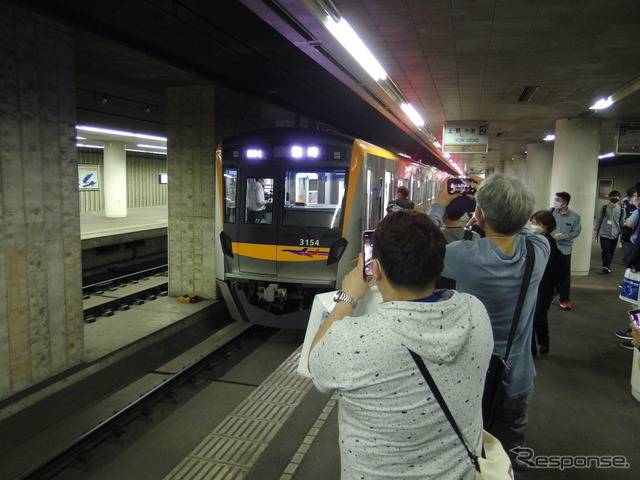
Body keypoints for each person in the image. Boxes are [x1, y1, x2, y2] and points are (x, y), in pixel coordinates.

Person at [309, 210, 494, 480]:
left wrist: (348, 296)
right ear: (439, 264)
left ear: (377, 269)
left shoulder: (353, 340)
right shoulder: (475, 312)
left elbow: (317, 361)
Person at [428, 173, 550, 471]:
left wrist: (438, 206)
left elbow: (418, 247)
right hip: (516, 375)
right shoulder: (539, 251)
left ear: (478, 215)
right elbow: (521, 226)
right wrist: (497, 199)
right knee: (507, 454)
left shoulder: (463, 255)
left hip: (468, 373)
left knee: (461, 453)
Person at [530, 210, 566, 356]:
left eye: (537, 224)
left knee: (539, 315)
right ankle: (531, 348)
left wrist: (558, 290)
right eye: (532, 223)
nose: (533, 226)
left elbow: (558, 272)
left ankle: (544, 342)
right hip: (531, 285)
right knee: (529, 317)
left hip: (545, 287)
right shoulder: (531, 240)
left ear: (547, 226)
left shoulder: (551, 245)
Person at [550, 192, 582, 310]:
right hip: (550, 247)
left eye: (557, 200)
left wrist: (562, 236)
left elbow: (576, 232)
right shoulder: (551, 212)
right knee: (549, 274)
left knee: (564, 276)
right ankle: (550, 294)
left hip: (564, 249)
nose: (555, 202)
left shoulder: (574, 217)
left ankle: (564, 300)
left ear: (565, 203)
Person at [593, 190, 624, 274]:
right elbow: (598, 220)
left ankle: (608, 265)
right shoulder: (604, 208)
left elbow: (621, 223)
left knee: (611, 251)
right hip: (604, 233)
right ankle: (605, 266)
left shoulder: (621, 210)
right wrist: (596, 232)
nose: (614, 198)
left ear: (619, 198)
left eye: (616, 197)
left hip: (615, 234)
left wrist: (622, 234)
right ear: (609, 198)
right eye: (613, 197)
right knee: (605, 249)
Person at [620, 188, 637, 264]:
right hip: (626, 226)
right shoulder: (624, 202)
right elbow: (621, 214)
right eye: (635, 195)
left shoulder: (637, 204)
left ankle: (630, 258)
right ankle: (627, 258)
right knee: (626, 242)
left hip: (635, 227)